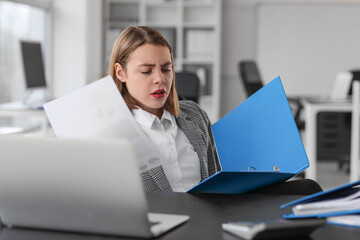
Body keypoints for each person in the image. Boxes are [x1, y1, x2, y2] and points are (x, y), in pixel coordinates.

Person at [108, 26, 322, 194]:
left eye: (166, 69)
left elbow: (215, 175)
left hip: (210, 209)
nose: (160, 79)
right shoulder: (113, 135)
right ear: (121, 73)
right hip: (165, 220)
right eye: (146, 71)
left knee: (307, 188)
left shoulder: (193, 114)